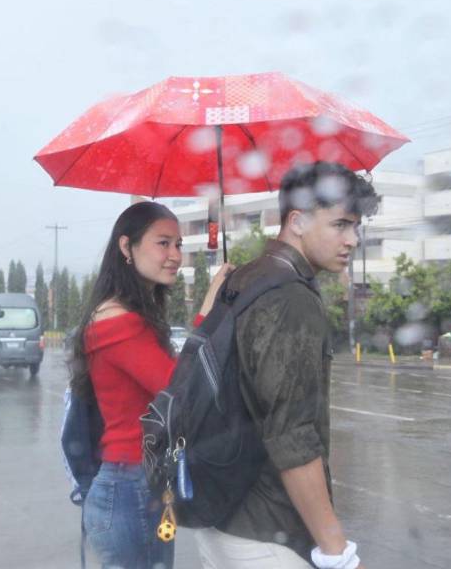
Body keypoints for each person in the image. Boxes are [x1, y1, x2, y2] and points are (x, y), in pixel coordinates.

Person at [194, 162, 378, 569]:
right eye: (341, 224)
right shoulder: (290, 299)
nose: (353, 239)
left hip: (220, 520)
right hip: (265, 540)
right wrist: (337, 551)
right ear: (297, 221)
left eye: (356, 227)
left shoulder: (242, 279)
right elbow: (291, 437)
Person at [68, 201, 230, 569]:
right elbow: (180, 391)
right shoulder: (117, 323)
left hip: (141, 486)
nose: (175, 255)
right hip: (129, 489)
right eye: (163, 243)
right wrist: (210, 309)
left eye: (179, 245)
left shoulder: (130, 315)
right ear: (126, 247)